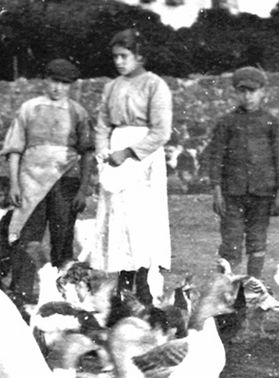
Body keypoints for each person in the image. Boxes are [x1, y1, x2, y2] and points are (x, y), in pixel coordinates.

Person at [0, 59, 94, 304]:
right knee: (26, 238)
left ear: (71, 86)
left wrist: (83, 189)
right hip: (31, 183)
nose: (57, 88)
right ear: (45, 80)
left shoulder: (78, 112)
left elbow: (86, 154)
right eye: (54, 81)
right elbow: (14, 149)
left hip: (65, 183)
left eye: (64, 84)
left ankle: (65, 297)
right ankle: (21, 296)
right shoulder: (29, 109)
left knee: (62, 240)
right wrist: (14, 185)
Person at [94, 28, 172, 305]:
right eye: (115, 57)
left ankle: (143, 281)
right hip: (115, 153)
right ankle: (123, 283)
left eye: (124, 56)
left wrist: (128, 152)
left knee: (142, 220)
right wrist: (103, 153)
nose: (118, 62)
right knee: (118, 219)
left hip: (142, 155)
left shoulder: (155, 85)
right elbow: (102, 124)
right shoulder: (111, 87)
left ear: (139, 56)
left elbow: (162, 131)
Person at [209, 66, 279, 279]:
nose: (247, 96)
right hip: (232, 193)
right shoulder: (226, 122)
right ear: (236, 92)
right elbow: (216, 157)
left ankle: (254, 287)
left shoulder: (271, 122)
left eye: (252, 91)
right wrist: (216, 190)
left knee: (257, 240)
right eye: (242, 91)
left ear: (263, 91)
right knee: (231, 242)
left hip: (262, 193)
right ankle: (225, 288)